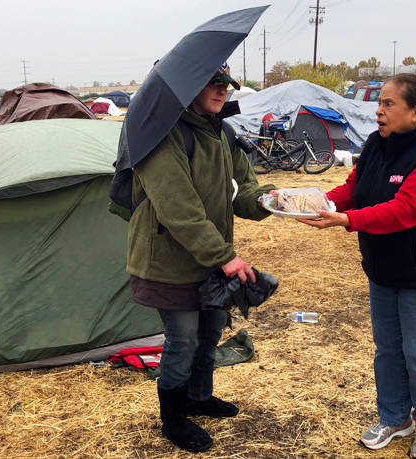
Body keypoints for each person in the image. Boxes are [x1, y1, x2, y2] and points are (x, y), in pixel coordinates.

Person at [294, 73, 416, 459]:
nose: (379, 110)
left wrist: (347, 221)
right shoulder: (376, 143)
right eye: (380, 102)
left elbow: (405, 211)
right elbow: (354, 188)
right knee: (388, 349)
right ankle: (394, 417)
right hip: (384, 268)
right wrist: (317, 202)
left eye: (388, 103)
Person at [126, 63, 275, 453]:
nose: (223, 90)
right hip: (168, 261)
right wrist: (225, 256)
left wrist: (269, 200)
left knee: (210, 333)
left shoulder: (223, 132)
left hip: (211, 258)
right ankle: (174, 419)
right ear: (186, 86)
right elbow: (179, 209)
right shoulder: (160, 136)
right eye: (213, 83)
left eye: (226, 84)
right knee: (183, 340)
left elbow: (243, 193)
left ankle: (199, 397)